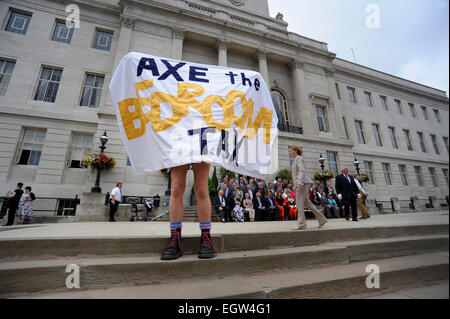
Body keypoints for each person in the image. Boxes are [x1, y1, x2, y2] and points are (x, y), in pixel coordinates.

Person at [161, 163, 216, 261]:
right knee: (176, 189)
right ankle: (175, 237)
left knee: (201, 189)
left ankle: (206, 236)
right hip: (179, 147)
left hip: (199, 147)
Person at [289, 145, 328, 230]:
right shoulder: (296, 159)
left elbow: (302, 170)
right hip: (302, 183)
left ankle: (301, 224)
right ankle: (322, 219)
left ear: (296, 151)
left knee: (299, 203)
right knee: (307, 203)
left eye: (291, 150)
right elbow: (297, 173)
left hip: (302, 183)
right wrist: (295, 185)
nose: (290, 152)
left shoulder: (298, 158)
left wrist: (299, 183)